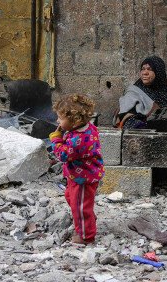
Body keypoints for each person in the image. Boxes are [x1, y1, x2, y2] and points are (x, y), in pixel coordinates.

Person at [49, 94, 104, 245]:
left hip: (84, 179)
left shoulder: (78, 140)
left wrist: (56, 139)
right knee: (72, 198)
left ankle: (86, 236)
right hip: (78, 175)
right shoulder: (87, 128)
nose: (58, 121)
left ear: (75, 121)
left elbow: (63, 154)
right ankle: (88, 220)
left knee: (80, 206)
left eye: (60, 118)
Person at [115, 56, 167, 133]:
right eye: (143, 69)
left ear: (158, 72)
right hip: (144, 133)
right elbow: (127, 119)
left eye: (149, 69)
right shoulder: (134, 92)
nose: (145, 73)